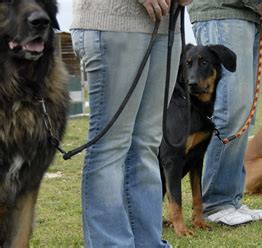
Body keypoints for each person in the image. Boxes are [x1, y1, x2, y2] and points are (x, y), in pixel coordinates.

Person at [71, 0, 191, 246]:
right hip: (112, 21)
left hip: (168, 25)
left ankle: (149, 242)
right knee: (111, 146)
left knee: (147, 144)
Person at [187, 0, 262, 226]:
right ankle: (216, 203)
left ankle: (230, 199)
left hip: (245, 14)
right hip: (223, 11)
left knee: (243, 113)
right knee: (229, 110)